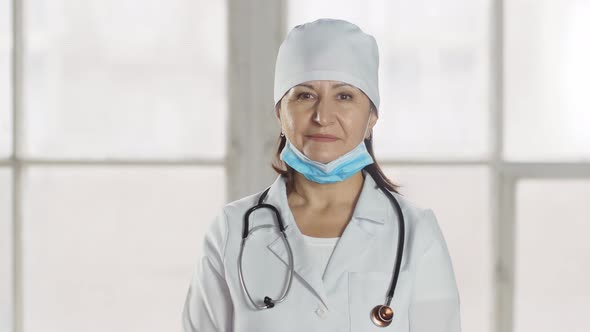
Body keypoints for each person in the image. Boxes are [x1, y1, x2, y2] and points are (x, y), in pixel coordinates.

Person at [182, 18, 461, 332]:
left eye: (344, 97)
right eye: (304, 96)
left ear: (372, 117)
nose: (322, 117)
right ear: (279, 112)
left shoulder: (415, 231)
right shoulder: (232, 229)